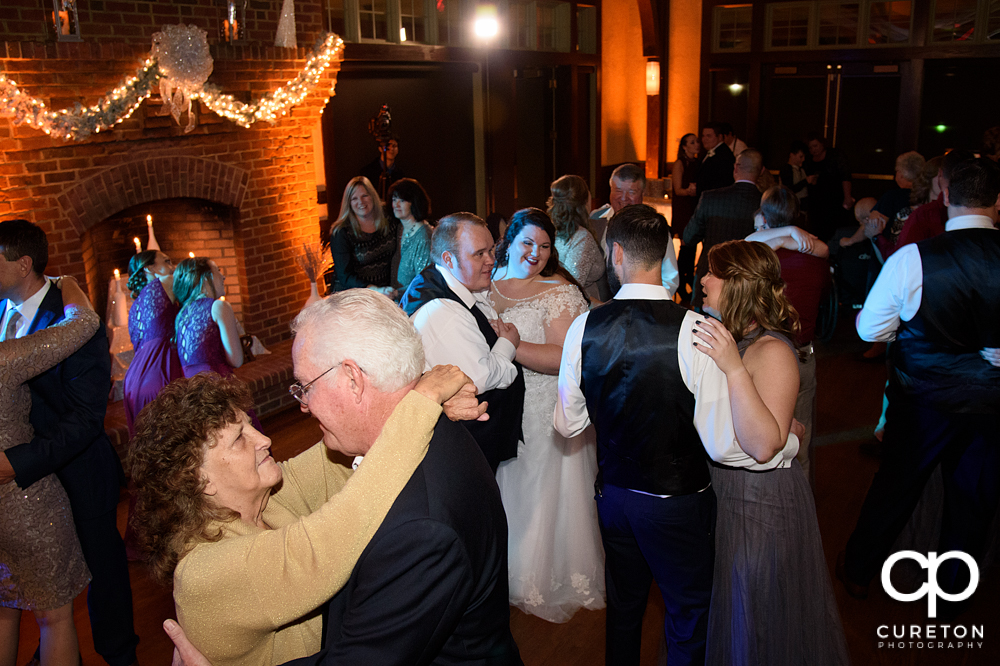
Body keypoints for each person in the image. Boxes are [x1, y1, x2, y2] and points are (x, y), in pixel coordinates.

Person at [554, 205, 799, 666]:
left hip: (615, 500)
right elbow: (721, 445)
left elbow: (568, 424)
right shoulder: (697, 331)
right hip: (677, 504)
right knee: (687, 614)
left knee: (624, 608)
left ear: (616, 253)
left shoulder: (584, 326)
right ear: (665, 252)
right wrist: (788, 443)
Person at [129, 362, 480, 666]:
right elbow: (336, 533)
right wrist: (422, 402)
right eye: (239, 439)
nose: (262, 439)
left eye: (250, 425)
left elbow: (354, 446)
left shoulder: (266, 502)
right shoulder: (203, 574)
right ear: (197, 479)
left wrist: (423, 392)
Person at [839, 158, 1000, 618]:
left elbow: (870, 330)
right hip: (991, 404)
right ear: (999, 203)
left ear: (945, 195)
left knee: (895, 487)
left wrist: (910, 334)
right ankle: (952, 593)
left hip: (923, 399)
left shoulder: (915, 258)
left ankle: (857, 571)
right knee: (974, 500)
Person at [692, 239, 849, 665]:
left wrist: (733, 366)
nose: (703, 280)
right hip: (725, 495)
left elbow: (763, 446)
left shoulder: (772, 350)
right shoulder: (730, 337)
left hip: (761, 504)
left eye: (713, 273)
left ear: (739, 286)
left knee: (755, 614)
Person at [0, 219, 139, 666]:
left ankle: (120, 657)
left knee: (103, 577)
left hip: (75, 470)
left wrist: (15, 462)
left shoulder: (70, 317)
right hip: (20, 490)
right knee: (30, 589)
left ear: (23, 264)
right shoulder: (3, 309)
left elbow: (84, 419)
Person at [489, 209, 605, 622]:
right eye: (527, 243)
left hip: (539, 406)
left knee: (537, 492)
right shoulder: (488, 282)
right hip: (495, 406)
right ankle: (496, 568)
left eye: (544, 246)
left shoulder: (557, 290)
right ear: (509, 239)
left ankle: (534, 574)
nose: (535, 253)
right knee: (502, 488)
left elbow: (564, 358)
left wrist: (509, 347)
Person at [0, 276, 96, 666]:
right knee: (54, 617)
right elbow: (82, 324)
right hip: (25, 501)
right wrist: (69, 282)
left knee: (4, 609)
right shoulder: (5, 359)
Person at [400, 213, 526, 473]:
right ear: (448, 259)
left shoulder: (451, 284)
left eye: (491, 250)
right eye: (479, 254)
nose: (490, 261)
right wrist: (507, 343)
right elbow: (480, 378)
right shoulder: (441, 311)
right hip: (461, 454)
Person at [746, 186, 830, 482]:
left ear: (765, 218)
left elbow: (745, 243)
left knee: (762, 437)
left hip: (767, 359)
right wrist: (790, 233)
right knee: (800, 442)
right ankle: (801, 508)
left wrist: (782, 236)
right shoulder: (816, 257)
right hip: (804, 355)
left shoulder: (760, 259)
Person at [683, 149, 765, 309]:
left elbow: (688, 237)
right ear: (761, 171)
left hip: (709, 279)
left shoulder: (711, 198)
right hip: (747, 286)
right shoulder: (764, 203)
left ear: (735, 168)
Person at [590, 163, 679, 300]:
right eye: (618, 191)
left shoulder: (653, 227)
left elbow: (670, 277)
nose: (624, 198)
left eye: (632, 192)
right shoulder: (596, 218)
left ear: (643, 194)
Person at [122, 249, 184, 436]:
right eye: (166, 261)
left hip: (133, 381)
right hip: (159, 375)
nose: (172, 267)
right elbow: (196, 285)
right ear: (149, 269)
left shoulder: (135, 307)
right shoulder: (164, 283)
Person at [325, 176, 399, 296]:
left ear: (373, 196)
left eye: (365, 196)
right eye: (354, 198)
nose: (361, 202)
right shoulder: (341, 232)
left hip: (385, 291)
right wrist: (374, 290)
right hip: (352, 295)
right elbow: (345, 276)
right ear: (348, 203)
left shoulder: (388, 216)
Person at [174, 258, 244, 378]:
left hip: (193, 389)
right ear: (205, 278)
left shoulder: (182, 314)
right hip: (216, 386)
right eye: (218, 271)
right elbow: (236, 360)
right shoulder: (218, 306)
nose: (223, 277)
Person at [546, 174, 605, 301]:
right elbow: (573, 288)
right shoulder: (582, 238)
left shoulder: (551, 231)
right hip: (580, 310)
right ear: (584, 201)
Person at [804, 132, 853, 242]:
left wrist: (847, 196)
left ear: (822, 144)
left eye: (815, 146)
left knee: (834, 228)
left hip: (834, 200)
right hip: (816, 202)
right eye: (810, 147)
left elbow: (845, 176)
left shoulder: (835, 155)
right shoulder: (808, 160)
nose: (813, 150)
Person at [388, 178, 433, 293]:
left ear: (414, 202)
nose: (396, 205)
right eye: (394, 199)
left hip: (413, 304)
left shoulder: (423, 238)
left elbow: (425, 284)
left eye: (402, 201)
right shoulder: (399, 228)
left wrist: (396, 294)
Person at [671, 133, 701, 299]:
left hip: (694, 206)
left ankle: (688, 279)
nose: (696, 144)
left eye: (697, 141)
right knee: (685, 243)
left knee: (692, 244)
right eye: (692, 142)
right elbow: (677, 189)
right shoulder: (679, 163)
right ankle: (682, 282)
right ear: (684, 146)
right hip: (683, 207)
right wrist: (689, 191)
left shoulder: (698, 163)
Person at [359, 135, 405, 201]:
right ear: (380, 148)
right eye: (388, 146)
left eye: (394, 146)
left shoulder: (400, 175)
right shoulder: (368, 172)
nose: (391, 149)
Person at [696, 122, 735, 196]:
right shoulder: (707, 153)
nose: (705, 139)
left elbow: (721, 181)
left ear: (719, 137)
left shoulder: (723, 155)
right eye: (703, 136)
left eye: (709, 136)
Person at [778, 139, 810, 213]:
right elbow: (789, 189)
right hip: (792, 209)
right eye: (800, 157)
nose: (803, 159)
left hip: (802, 208)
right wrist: (806, 181)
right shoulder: (786, 169)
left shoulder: (802, 169)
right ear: (792, 155)